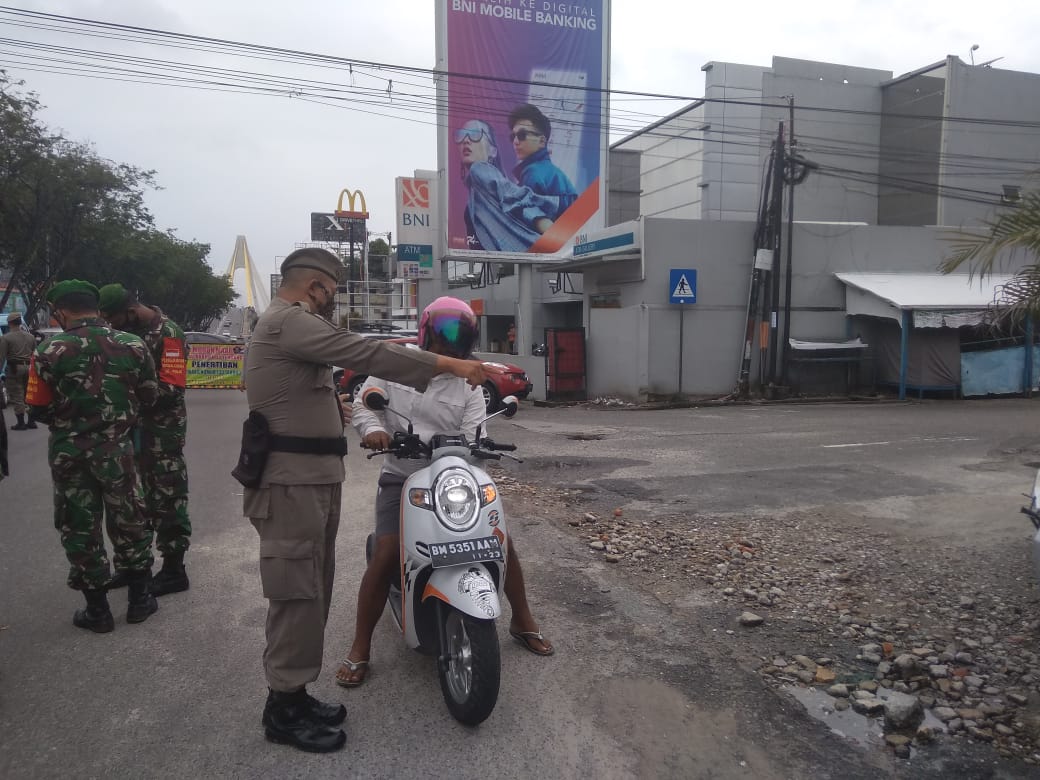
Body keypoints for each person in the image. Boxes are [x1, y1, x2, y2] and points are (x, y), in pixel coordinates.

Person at [243, 248, 488, 754]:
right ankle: (284, 706)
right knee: (296, 589)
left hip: (311, 480)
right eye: (332, 288)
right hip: (292, 483)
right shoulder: (288, 322)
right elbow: (367, 354)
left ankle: (294, 693)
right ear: (315, 286)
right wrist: (448, 363)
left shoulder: (292, 328)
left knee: (313, 585)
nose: (333, 298)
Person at [335, 296, 553, 690]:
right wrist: (373, 432)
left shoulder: (470, 382)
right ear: (427, 331)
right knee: (386, 552)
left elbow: (475, 432)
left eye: (460, 333)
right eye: (445, 331)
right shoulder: (394, 363)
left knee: (500, 543)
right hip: (403, 477)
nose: (451, 340)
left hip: (452, 479)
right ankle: (360, 647)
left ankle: (522, 619)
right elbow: (364, 405)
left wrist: (477, 451)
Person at [28, 280, 159, 633]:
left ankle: (97, 611)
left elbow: (37, 407)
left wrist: (69, 421)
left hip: (70, 455)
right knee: (130, 518)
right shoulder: (133, 345)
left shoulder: (48, 350)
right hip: (118, 450)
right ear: (96, 308)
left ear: (60, 311)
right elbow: (149, 395)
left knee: (79, 526)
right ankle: (139, 600)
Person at [98, 284, 192, 596]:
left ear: (130, 310)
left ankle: (174, 570)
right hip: (128, 429)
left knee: (166, 495)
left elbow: (173, 387)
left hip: (161, 432)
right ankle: (131, 565)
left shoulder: (170, 333)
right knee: (129, 499)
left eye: (113, 319)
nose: (111, 326)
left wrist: (127, 397)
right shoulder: (123, 335)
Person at [455, 119, 560, 252]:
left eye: (475, 134)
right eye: (461, 134)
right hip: (523, 258)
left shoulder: (479, 169)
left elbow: (518, 200)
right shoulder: (476, 191)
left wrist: (558, 239)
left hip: (530, 254)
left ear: (493, 151)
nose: (466, 140)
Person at [507, 103, 578, 230]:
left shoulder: (533, 172)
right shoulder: (551, 172)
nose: (515, 142)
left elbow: (524, 223)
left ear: (541, 141)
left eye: (522, 135)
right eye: (513, 136)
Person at [0, 312, 40, 430]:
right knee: (29, 394)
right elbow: (35, 354)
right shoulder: (30, 336)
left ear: (9, 323)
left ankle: (21, 423)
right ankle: (32, 421)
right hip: (29, 368)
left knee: (17, 395)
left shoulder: (6, 338)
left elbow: (1, 357)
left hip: (14, 369)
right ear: (20, 322)